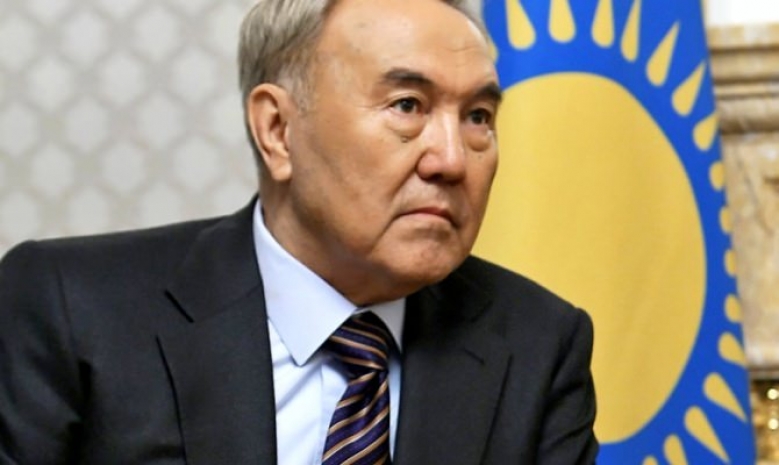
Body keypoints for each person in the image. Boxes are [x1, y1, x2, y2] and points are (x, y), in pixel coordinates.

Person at [0, 0, 598, 463]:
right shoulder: (71, 310)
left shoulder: (538, 343)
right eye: (408, 106)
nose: (451, 159)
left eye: (478, 117)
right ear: (278, 130)